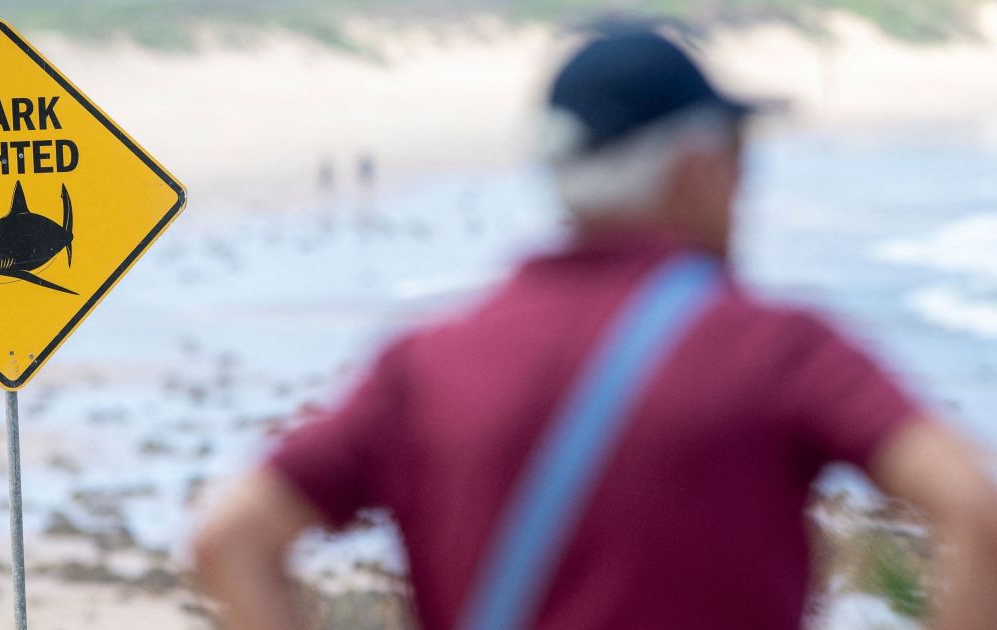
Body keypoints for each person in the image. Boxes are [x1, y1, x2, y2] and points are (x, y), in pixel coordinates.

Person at [188, 30, 997, 630]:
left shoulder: (426, 363)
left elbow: (232, 537)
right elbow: (971, 505)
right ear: (691, 170)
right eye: (738, 157)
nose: (745, 184)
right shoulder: (777, 350)